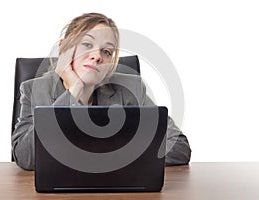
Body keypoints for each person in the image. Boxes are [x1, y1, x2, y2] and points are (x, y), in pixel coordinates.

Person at [12, 13, 191, 170]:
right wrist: (74, 91)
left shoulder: (132, 88)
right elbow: (25, 157)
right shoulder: (34, 90)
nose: (97, 56)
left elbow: (179, 147)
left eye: (106, 51)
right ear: (64, 48)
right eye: (87, 44)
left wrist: (107, 158)